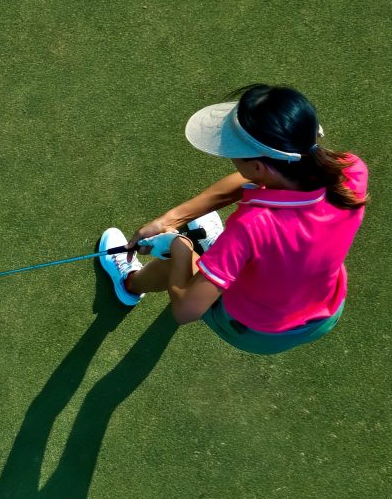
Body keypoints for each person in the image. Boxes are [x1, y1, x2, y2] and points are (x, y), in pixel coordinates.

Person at [97, 84, 369, 356]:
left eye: (234, 152)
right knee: (237, 252)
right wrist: (170, 218)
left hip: (256, 331)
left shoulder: (252, 227)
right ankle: (231, 258)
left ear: (259, 167)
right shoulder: (349, 171)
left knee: (177, 266)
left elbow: (186, 310)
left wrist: (180, 248)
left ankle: (129, 284)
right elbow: (252, 180)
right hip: (323, 312)